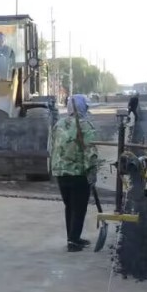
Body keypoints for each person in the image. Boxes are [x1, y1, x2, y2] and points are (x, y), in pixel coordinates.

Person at [51, 94, 101, 252]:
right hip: (78, 173)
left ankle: (72, 237)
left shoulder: (58, 124)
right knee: (79, 207)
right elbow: (90, 152)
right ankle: (73, 241)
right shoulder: (85, 126)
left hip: (60, 172)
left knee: (69, 206)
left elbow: (53, 146)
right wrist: (92, 172)